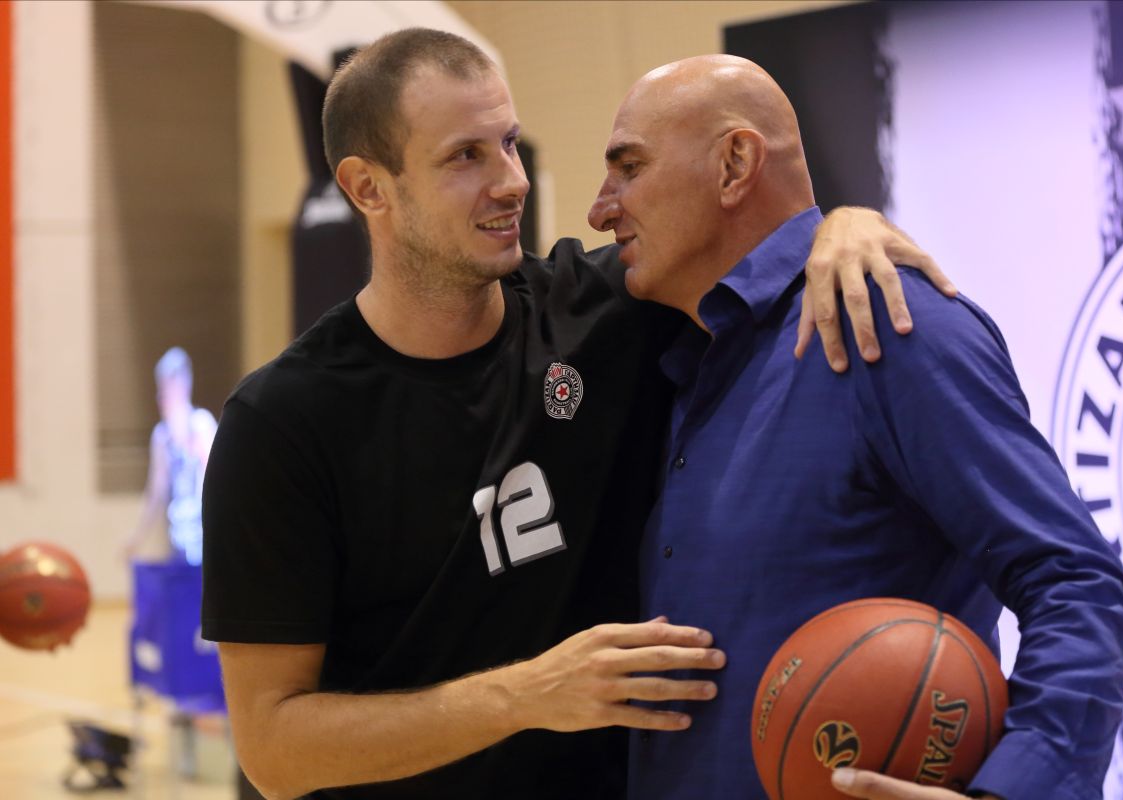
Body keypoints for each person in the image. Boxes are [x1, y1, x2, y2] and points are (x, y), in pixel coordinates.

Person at [200, 30, 952, 800]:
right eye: (466, 156)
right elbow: (273, 747)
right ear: (368, 188)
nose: (511, 182)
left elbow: (746, 229)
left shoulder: (610, 313)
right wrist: (525, 696)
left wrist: (842, 225)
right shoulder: (282, 422)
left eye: (510, 144)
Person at [586, 55, 1123, 800]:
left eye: (629, 167)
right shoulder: (662, 348)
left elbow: (1078, 584)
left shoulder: (888, 325)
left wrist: (1010, 791)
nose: (600, 206)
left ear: (735, 163)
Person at [124, 347, 216, 566]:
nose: (164, 397)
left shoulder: (201, 425)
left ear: (184, 386)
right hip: (178, 538)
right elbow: (156, 491)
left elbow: (215, 481)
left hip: (204, 537)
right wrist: (137, 538)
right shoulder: (162, 436)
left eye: (169, 387)